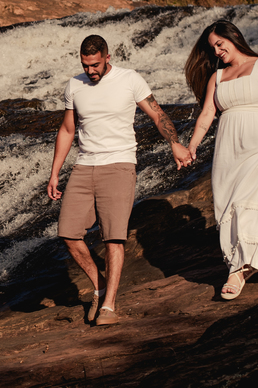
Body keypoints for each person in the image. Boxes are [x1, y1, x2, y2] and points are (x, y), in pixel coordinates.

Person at [48, 35, 191, 325]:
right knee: (68, 232)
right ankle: (99, 286)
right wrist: (54, 173)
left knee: (113, 237)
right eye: (86, 66)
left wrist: (174, 143)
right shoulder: (75, 85)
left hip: (119, 165)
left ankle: (109, 306)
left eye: (96, 65)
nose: (91, 71)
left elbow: (157, 114)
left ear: (107, 56)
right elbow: (66, 130)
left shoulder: (130, 80)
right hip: (85, 165)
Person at [184, 20, 258, 300]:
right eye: (212, 48)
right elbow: (206, 115)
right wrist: (192, 146)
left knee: (253, 202)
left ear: (234, 37)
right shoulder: (217, 77)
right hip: (228, 149)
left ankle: (237, 270)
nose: (217, 51)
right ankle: (242, 260)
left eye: (220, 44)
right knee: (229, 205)